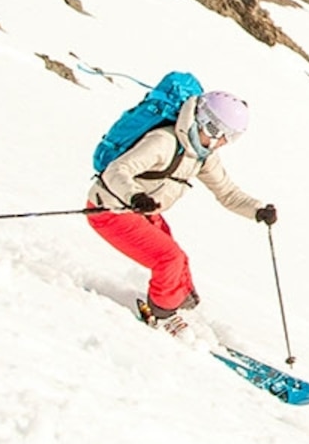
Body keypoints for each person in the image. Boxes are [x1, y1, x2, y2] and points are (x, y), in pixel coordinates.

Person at [85, 89, 279, 326]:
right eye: (220, 133)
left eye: (231, 138)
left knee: (180, 260)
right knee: (169, 259)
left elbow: (227, 193)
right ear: (205, 123)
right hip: (111, 210)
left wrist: (258, 210)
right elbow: (117, 171)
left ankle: (182, 308)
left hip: (142, 211)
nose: (222, 143)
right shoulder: (164, 142)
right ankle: (162, 316)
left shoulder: (201, 155)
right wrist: (134, 196)